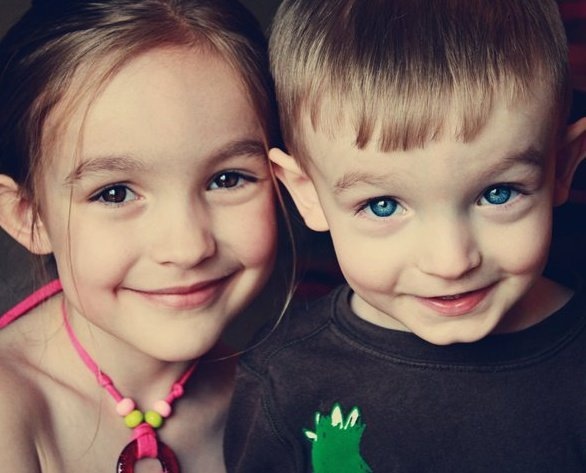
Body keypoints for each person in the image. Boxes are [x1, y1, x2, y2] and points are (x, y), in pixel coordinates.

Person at [224, 0, 586, 471]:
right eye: (383, 205)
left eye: (498, 193)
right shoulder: (283, 378)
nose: (450, 262)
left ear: (563, 167)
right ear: (306, 194)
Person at [0, 0, 284, 472]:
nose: (187, 248)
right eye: (114, 193)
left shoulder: (282, 394)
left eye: (227, 179)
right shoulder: (9, 415)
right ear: (29, 216)